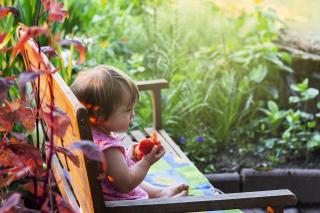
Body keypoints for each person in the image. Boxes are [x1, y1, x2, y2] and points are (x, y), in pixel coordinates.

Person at [71, 65, 189, 201]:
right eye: (127, 110)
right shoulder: (109, 150)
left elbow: (113, 170)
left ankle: (158, 193)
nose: (133, 115)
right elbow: (127, 184)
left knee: (131, 173)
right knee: (132, 177)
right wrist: (146, 161)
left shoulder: (93, 133)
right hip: (121, 206)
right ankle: (160, 199)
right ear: (101, 115)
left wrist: (128, 157)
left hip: (103, 193)